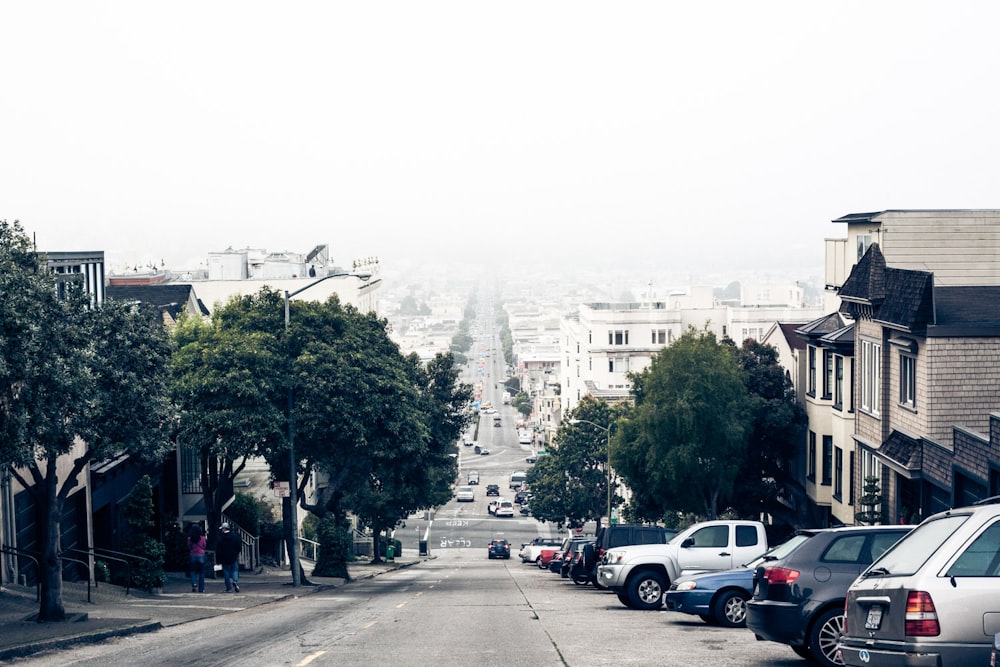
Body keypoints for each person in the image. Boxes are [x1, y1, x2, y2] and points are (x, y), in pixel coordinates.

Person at [216, 522, 241, 593]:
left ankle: (229, 588)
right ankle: (235, 581)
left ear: (224, 529)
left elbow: (218, 550)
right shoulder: (235, 537)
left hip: (224, 558)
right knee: (235, 570)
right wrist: (236, 553)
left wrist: (218, 559)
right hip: (233, 556)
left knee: (226, 572)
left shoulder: (220, 538)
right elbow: (239, 547)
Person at [187, 523, 207, 593]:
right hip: (201, 554)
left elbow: (189, 547)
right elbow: (204, 546)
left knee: (193, 571)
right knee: (202, 572)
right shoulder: (202, 538)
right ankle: (201, 589)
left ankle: (194, 583)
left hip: (193, 555)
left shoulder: (190, 539)